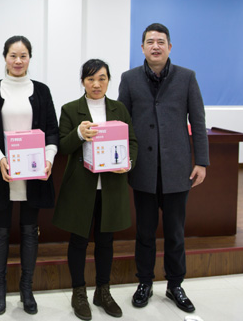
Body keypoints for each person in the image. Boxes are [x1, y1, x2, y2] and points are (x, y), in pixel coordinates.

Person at [118, 23, 209, 313]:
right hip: (143, 170)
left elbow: (198, 120)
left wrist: (201, 161)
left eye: (161, 41)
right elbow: (121, 123)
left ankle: (175, 285)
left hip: (177, 169)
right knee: (144, 233)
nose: (155, 46)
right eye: (150, 41)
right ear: (142, 47)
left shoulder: (187, 77)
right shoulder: (129, 78)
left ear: (169, 47)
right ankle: (144, 282)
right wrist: (120, 159)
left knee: (175, 233)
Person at [0, 35, 59, 315]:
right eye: (13, 55)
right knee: (0, 231)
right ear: (4, 57)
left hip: (34, 173)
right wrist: (0, 158)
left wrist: (48, 159)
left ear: (29, 58)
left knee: (29, 231)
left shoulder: (42, 91)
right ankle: (0, 289)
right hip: (3, 171)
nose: (18, 61)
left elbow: (52, 130)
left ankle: (27, 289)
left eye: (23, 56)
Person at [52, 59, 137, 320]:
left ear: (109, 80)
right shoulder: (70, 109)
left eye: (102, 78)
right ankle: (79, 292)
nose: (96, 84)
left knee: (106, 241)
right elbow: (63, 147)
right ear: (83, 82)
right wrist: (78, 134)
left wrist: (129, 162)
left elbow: (132, 141)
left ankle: (103, 291)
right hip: (81, 186)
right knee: (78, 240)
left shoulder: (119, 108)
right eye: (90, 79)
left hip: (110, 185)